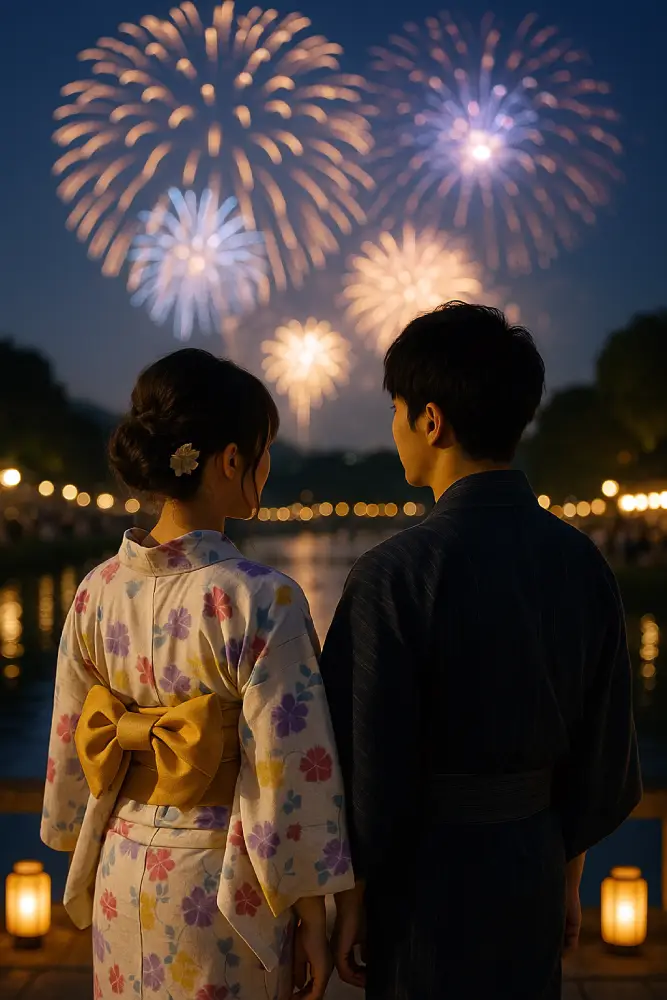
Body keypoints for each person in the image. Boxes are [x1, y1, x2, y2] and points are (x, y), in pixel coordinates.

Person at [320, 302, 642, 1000]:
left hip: (424, 883)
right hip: (531, 866)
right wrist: (568, 877)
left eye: (398, 409)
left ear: (431, 420)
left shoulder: (392, 574)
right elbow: (602, 746)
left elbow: (359, 759)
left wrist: (352, 898)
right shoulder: (581, 563)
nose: (395, 427)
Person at [41, 349, 353, 1000]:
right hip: (221, 882)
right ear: (232, 460)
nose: (267, 465)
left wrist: (77, 828)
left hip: (121, 864)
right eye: (264, 450)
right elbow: (287, 772)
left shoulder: (96, 591)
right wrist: (310, 911)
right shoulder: (262, 599)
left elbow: (74, 744)